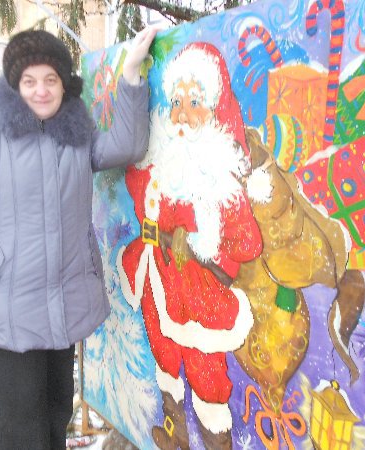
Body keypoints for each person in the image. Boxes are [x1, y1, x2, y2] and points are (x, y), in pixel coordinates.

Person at [0, 27, 157, 450]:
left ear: (63, 83)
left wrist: (131, 75)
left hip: (65, 303)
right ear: (15, 85)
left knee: (57, 414)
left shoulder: (75, 134)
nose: (41, 91)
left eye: (50, 79)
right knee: (21, 429)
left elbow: (127, 145)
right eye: (30, 81)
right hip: (13, 308)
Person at [116, 42, 264, 450]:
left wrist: (200, 238)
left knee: (204, 369)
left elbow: (247, 243)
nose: (182, 114)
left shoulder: (219, 179)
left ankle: (216, 441)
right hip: (155, 278)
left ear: (214, 109)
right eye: (177, 101)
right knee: (163, 353)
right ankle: (175, 431)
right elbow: (137, 184)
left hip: (198, 293)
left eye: (194, 102)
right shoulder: (161, 163)